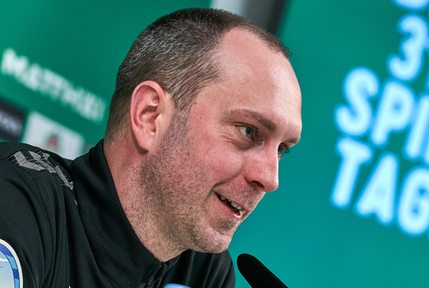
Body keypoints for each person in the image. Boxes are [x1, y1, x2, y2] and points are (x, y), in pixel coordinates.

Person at [0, 7, 302, 288]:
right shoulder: (16, 202)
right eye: (249, 132)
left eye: (282, 149)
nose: (270, 179)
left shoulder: (202, 271)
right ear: (150, 116)